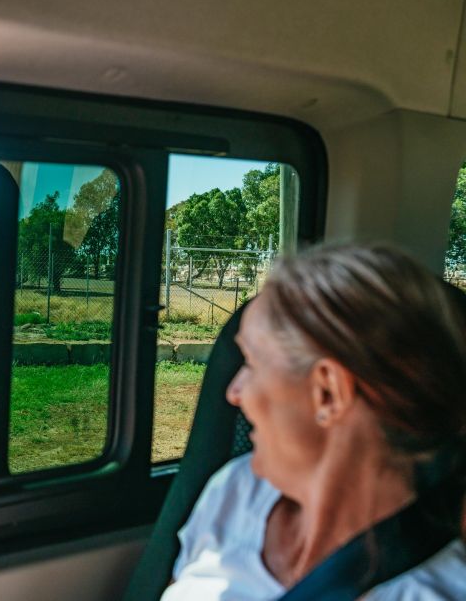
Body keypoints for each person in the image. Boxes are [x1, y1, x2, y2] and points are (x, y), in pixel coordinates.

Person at [162, 244, 466, 600]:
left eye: (251, 362)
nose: (233, 392)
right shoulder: (233, 491)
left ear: (328, 392)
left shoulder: (431, 592)